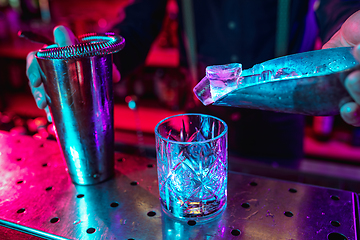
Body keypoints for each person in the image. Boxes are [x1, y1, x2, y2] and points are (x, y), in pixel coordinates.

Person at [27, 0, 360, 168]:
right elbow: (139, 23)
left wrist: (352, 25)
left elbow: (339, 6)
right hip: (198, 128)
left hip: (278, 128)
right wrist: (93, 59)